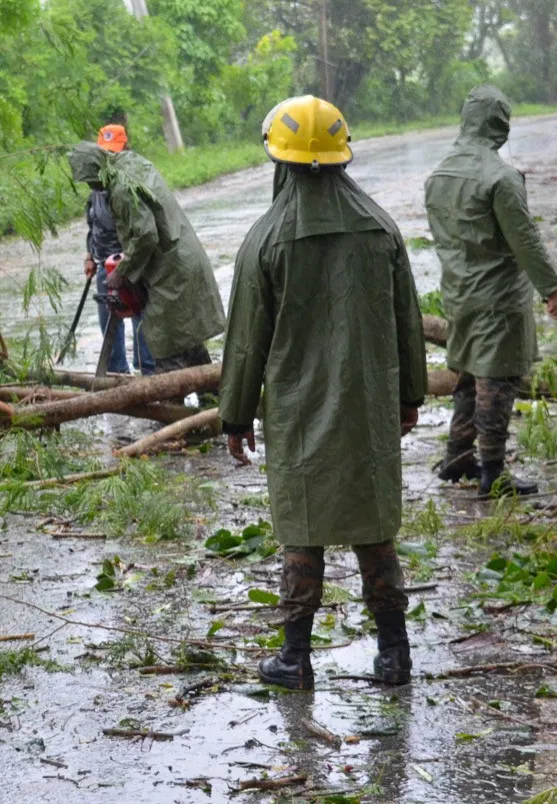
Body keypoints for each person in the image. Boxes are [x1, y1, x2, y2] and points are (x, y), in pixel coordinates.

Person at [220, 96, 427, 691]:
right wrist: (409, 394)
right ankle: (394, 654)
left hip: (297, 409)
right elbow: (406, 321)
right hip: (368, 406)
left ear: (277, 160)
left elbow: (244, 343)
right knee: (374, 527)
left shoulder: (266, 238)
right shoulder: (380, 225)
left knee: (301, 528)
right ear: (342, 154)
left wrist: (234, 416)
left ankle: (295, 658)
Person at [424, 85, 557, 498]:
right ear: (500, 124)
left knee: (468, 377)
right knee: (497, 381)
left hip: (458, 294)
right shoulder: (500, 178)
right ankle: (492, 471)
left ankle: (457, 459)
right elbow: (525, 240)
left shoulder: (440, 176)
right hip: (497, 300)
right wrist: (553, 291)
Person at [67, 141, 224, 374]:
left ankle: (170, 406)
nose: (91, 187)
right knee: (188, 341)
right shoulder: (130, 163)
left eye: (89, 180)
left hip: (170, 271)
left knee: (167, 343)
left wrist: (122, 272)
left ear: (97, 173)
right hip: (181, 257)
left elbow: (145, 235)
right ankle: (211, 396)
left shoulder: (121, 190)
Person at [82, 124, 153, 375]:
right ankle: (116, 373)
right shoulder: (96, 188)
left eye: (115, 151)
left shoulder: (131, 181)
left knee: (140, 318)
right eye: (106, 152)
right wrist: (90, 255)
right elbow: (93, 223)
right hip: (105, 263)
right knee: (109, 322)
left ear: (125, 147)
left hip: (132, 262)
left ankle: (148, 371)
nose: (111, 157)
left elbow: (144, 229)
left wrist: (128, 267)